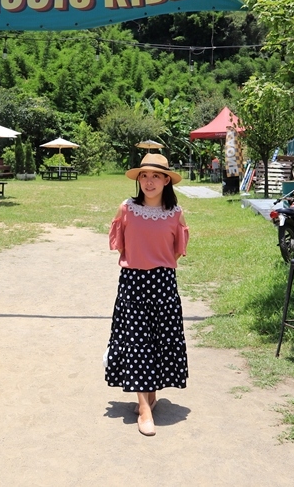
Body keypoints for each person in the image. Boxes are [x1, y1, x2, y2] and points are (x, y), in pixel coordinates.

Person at [105, 153, 190, 437]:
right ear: (138, 179)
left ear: (167, 180)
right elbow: (120, 245)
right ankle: (143, 408)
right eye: (144, 176)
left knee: (159, 340)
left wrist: (157, 262)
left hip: (164, 283)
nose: (149, 181)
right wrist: (141, 261)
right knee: (137, 342)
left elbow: (177, 250)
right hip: (133, 282)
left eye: (155, 176)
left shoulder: (175, 214)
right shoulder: (126, 209)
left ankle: (150, 395)